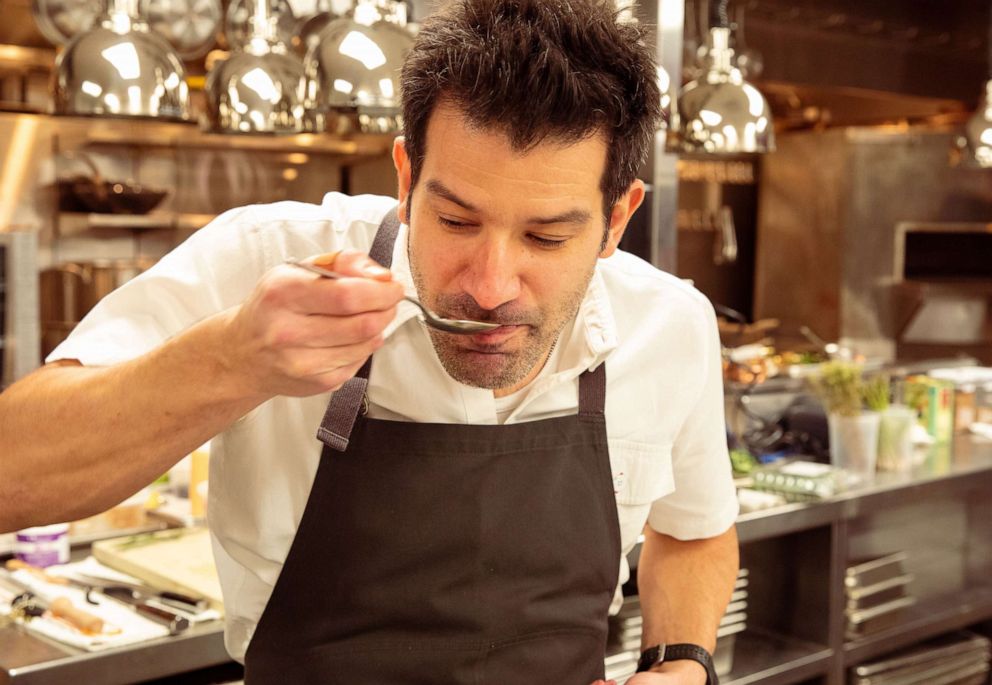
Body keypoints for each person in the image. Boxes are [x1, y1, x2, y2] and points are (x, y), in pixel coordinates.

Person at [0, 0, 740, 683]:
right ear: (406, 175)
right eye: (453, 221)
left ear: (617, 218)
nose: (488, 285)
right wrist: (232, 359)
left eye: (545, 237)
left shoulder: (670, 324)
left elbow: (697, 531)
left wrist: (681, 662)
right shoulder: (268, 259)